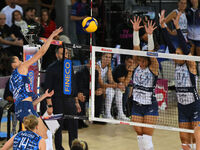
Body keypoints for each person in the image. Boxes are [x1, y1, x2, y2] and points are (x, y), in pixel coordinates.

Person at [6, 27, 63, 150]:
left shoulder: (11, 81)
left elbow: (27, 102)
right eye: (17, 59)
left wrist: (43, 96)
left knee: (39, 137)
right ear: (13, 65)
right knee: (45, 136)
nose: (21, 60)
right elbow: (41, 52)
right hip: (25, 110)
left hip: (21, 110)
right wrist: (52, 35)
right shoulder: (21, 69)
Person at [160, 10, 200, 150]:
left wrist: (177, 28)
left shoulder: (191, 64)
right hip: (182, 107)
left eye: (178, 54)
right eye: (175, 54)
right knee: (184, 140)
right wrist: (163, 27)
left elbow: (183, 47)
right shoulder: (176, 64)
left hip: (194, 105)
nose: (175, 55)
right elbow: (171, 45)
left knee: (196, 138)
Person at [130, 16, 159, 150]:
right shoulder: (136, 64)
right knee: (139, 134)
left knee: (147, 136)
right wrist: (135, 31)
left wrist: (150, 35)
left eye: (143, 60)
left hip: (149, 105)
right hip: (136, 104)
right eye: (140, 59)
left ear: (147, 61)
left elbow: (152, 53)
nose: (140, 62)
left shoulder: (153, 67)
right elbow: (136, 47)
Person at [44, 46, 79, 149]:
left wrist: (76, 102)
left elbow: (73, 85)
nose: (65, 55)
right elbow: (48, 89)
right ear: (57, 55)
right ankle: (59, 148)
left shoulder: (69, 66)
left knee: (73, 127)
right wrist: (49, 105)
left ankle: (74, 147)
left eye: (67, 54)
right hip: (57, 101)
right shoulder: (51, 68)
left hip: (70, 101)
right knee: (57, 128)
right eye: (62, 54)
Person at [96, 53, 128, 121]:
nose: (107, 59)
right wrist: (115, 85)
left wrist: (118, 85)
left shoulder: (109, 66)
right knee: (111, 91)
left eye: (109, 57)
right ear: (102, 57)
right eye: (106, 57)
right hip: (95, 86)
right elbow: (101, 83)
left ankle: (120, 113)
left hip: (104, 85)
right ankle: (107, 114)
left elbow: (111, 80)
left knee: (118, 90)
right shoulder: (97, 66)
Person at [75, 59, 103, 127]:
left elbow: (96, 85)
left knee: (100, 96)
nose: (95, 66)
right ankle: (80, 120)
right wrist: (93, 92)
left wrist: (98, 90)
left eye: (95, 64)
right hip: (80, 93)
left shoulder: (96, 73)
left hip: (91, 93)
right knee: (81, 97)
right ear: (88, 65)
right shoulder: (80, 73)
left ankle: (96, 118)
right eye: (93, 64)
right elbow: (80, 89)